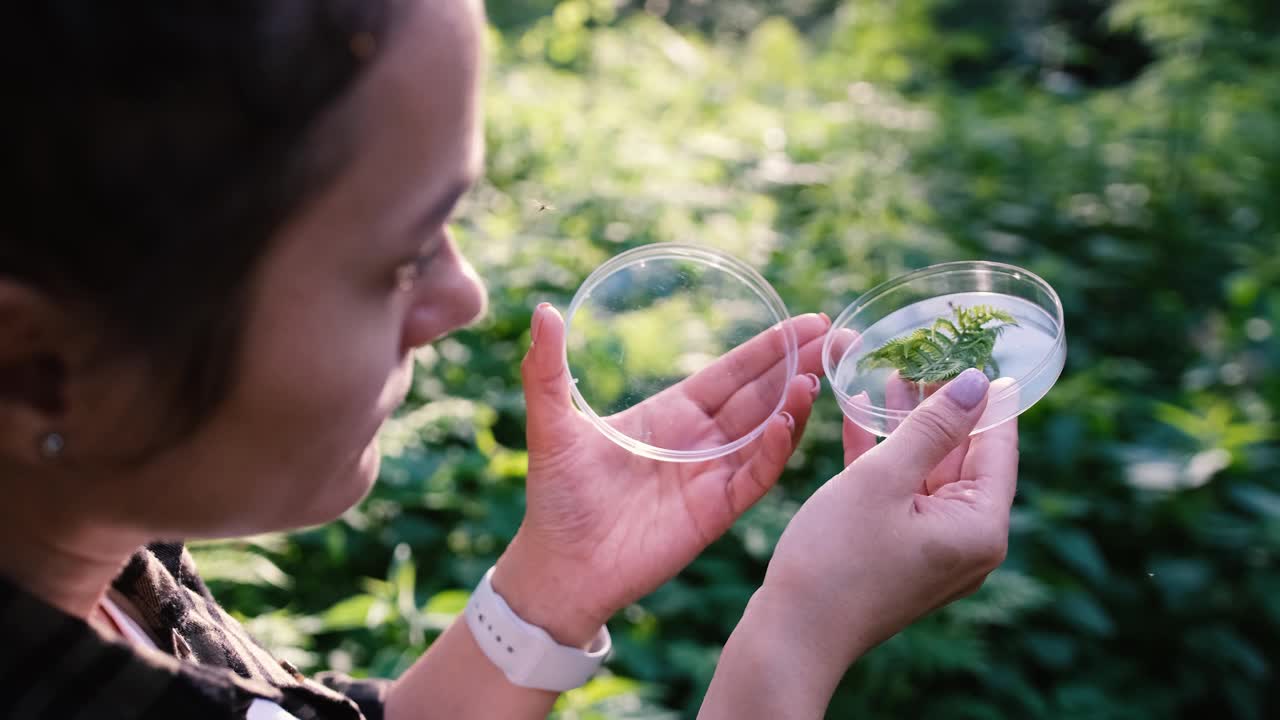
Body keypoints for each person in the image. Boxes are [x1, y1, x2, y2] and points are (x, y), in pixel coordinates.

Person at [0, 1, 1018, 718]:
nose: (463, 299)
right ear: (39, 366)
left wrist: (550, 588)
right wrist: (797, 636)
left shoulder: (91, 563)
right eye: (400, 257)